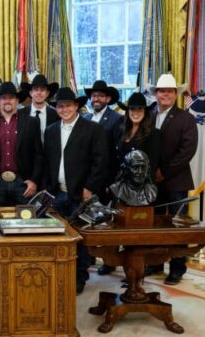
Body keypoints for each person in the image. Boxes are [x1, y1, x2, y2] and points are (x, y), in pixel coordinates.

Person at [43, 87, 108, 294]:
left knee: (80, 239)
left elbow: (100, 162)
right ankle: (59, 275)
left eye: (68, 105)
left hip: (81, 194)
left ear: (76, 106)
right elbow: (48, 162)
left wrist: (89, 188)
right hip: (58, 194)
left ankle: (79, 278)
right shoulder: (51, 130)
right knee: (57, 237)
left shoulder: (92, 129)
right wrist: (49, 190)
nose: (64, 109)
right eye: (60, 106)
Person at [99, 91, 161, 275]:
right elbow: (112, 158)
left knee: (136, 229)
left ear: (145, 112)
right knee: (115, 223)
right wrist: (109, 182)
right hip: (120, 186)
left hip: (140, 189)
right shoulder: (119, 130)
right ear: (127, 112)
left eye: (139, 109)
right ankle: (110, 260)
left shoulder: (153, 134)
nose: (135, 112)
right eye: (132, 109)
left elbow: (152, 164)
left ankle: (135, 267)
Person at [147, 73, 198, 285]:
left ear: (176, 94)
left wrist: (165, 172)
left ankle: (177, 268)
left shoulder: (186, 118)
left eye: (169, 91)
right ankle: (155, 263)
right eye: (162, 91)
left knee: (178, 226)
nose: (165, 95)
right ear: (156, 94)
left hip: (176, 181)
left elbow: (187, 151)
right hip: (152, 183)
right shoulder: (148, 115)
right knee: (154, 224)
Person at [0, 81, 43, 206]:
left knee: (25, 217)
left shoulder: (32, 122)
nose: (7, 101)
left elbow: (38, 155)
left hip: (23, 184)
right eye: (3, 98)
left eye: (11, 97)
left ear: (17, 100)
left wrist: (34, 180)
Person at [84, 79, 124, 194]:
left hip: (105, 179)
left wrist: (112, 182)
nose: (96, 99)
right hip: (86, 178)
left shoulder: (117, 118)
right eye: (94, 96)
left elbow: (118, 153)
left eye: (101, 96)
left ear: (108, 99)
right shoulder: (85, 118)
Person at [19, 74, 60, 144]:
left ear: (47, 93)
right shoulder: (21, 114)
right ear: (31, 93)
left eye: (42, 90)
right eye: (36, 89)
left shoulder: (56, 115)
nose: (39, 92)